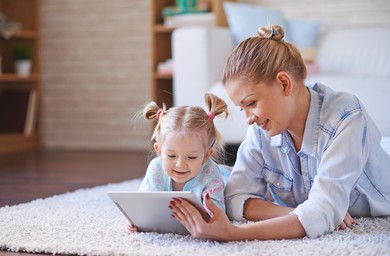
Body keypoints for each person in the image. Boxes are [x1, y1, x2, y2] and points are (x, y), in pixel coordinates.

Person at [169, 25, 390, 241]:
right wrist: (297, 213)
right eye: (242, 108)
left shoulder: (346, 117)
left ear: (284, 84)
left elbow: (323, 211)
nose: (249, 118)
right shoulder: (261, 128)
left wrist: (233, 233)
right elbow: (235, 197)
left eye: (252, 103)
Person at [128, 93, 231, 232]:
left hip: (226, 176)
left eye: (191, 157)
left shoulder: (211, 174)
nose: (180, 165)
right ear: (159, 151)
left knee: (234, 186)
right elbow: (145, 203)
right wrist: (135, 220)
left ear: (206, 155)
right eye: (171, 155)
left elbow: (217, 215)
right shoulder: (156, 167)